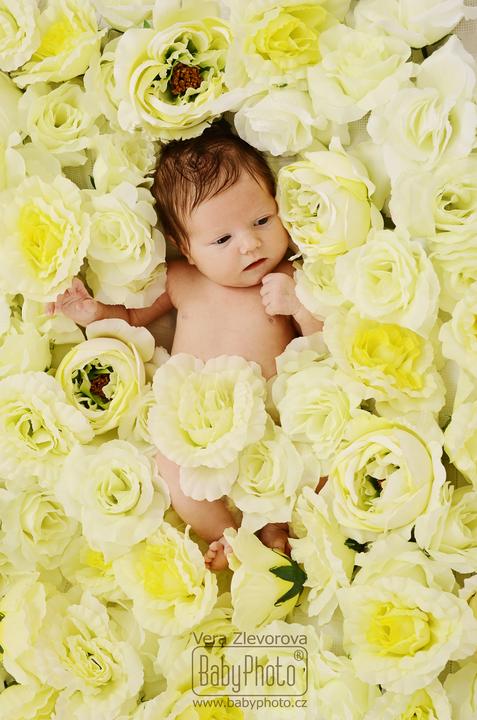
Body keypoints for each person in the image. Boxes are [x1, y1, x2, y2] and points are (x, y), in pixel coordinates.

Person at [49, 122, 323, 570]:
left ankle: (273, 528)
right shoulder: (181, 280)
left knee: (298, 460)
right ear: (187, 248)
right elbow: (131, 320)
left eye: (262, 220)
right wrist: (92, 312)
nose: (250, 244)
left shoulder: (285, 278)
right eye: (222, 239)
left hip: (269, 416)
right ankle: (226, 534)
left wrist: (298, 306)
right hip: (197, 428)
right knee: (177, 475)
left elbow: (319, 344)